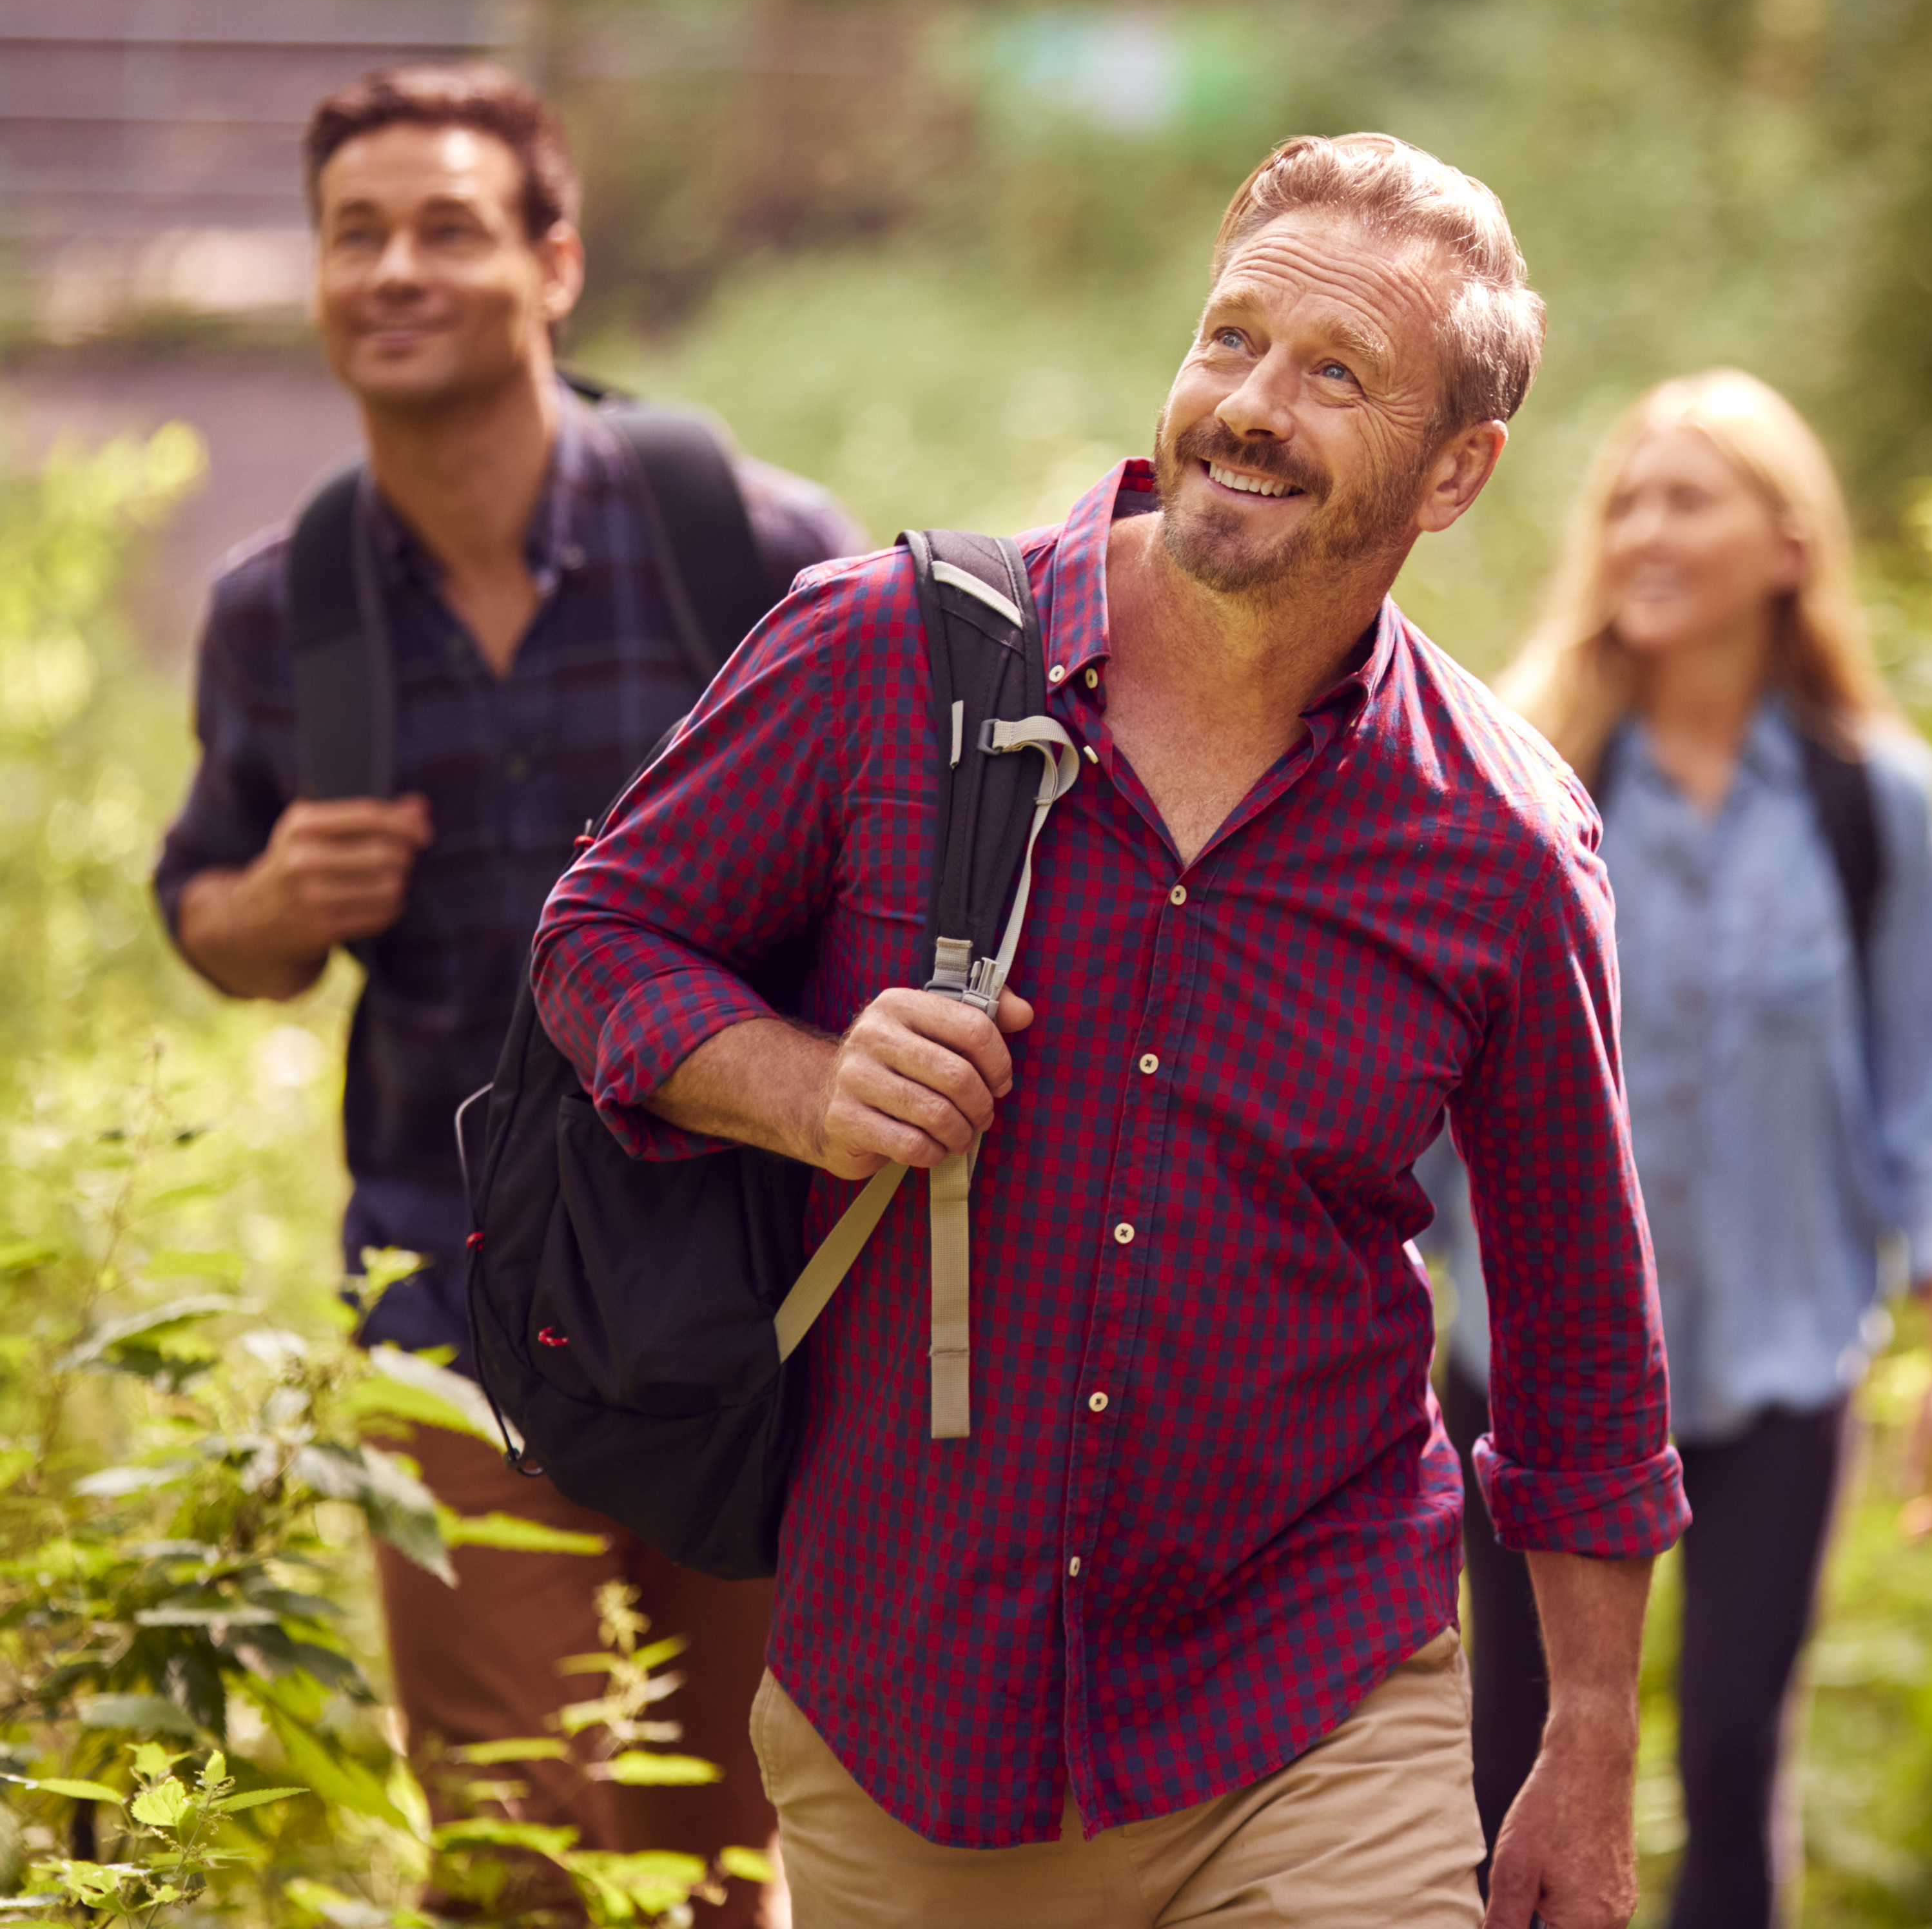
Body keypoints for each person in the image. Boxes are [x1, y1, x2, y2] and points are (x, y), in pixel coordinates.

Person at [527, 132, 1686, 1926]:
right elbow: (603, 937)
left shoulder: (1506, 842)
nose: (1253, 406)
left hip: (1317, 1694)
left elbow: (1579, 1335)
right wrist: (807, 1086)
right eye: (1233, 340)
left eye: (1335, 374)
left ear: (1459, 471)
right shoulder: (882, 654)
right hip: (912, 1701)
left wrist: (1590, 1748)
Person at [154, 64, 854, 1923]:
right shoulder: (280, 609)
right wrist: (273, 900)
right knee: (519, 1855)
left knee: (735, 1855)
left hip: (754, 1305)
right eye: (353, 235)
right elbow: (215, 923)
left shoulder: (755, 553)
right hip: (454, 1310)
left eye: (447, 228)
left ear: (554, 266)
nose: (393, 269)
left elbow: (909, 906)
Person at [1426, 368, 1932, 1928]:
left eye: (1690, 498)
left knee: (1739, 1752)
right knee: (1513, 1762)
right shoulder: (1518, 775)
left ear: (1789, 543)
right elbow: (1418, 1072)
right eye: (1625, 500)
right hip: (1530, 1377)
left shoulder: (1868, 799)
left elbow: (1928, 1087)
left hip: (1779, 1361)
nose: (1645, 530)